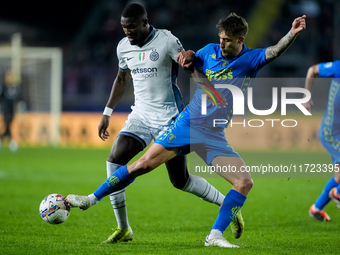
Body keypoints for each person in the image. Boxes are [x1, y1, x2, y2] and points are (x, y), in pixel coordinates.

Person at [67, 13, 306, 248]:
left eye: (228, 40)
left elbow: (274, 50)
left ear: (240, 40)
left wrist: (292, 33)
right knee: (142, 165)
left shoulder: (251, 59)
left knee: (243, 182)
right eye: (221, 38)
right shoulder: (209, 50)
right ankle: (90, 199)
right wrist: (188, 55)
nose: (221, 44)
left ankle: (214, 236)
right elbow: (189, 59)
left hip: (213, 135)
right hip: (187, 124)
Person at [94, 3, 240, 244]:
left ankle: (229, 206)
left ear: (144, 22)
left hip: (169, 118)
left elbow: (190, 68)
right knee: (114, 160)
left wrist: (210, 92)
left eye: (131, 27)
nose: (127, 32)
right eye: (123, 28)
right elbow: (121, 78)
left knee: (180, 180)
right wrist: (107, 111)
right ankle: (123, 228)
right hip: (140, 116)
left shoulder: (167, 40)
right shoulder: (123, 47)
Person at [304, 61, 340, 221]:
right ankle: (337, 193)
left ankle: (316, 208)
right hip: (331, 132)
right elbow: (312, 70)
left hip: (334, 131)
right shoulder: (338, 67)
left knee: (338, 177)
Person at [0, 70, 20, 152]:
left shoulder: (15, 87)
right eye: (8, 77)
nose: (9, 79)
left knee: (8, 126)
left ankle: (4, 140)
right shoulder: (3, 87)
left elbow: (17, 98)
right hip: (5, 109)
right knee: (7, 124)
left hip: (12, 110)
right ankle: (12, 142)